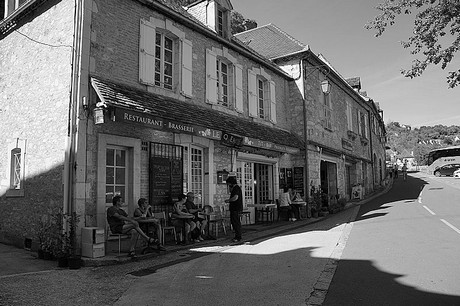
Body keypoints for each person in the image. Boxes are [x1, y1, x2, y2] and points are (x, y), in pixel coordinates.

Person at [224, 176, 243, 242]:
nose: (228, 185)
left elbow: (235, 197)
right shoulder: (235, 188)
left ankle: (238, 237)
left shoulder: (236, 189)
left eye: (229, 184)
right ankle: (237, 235)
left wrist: (228, 200)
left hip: (236, 208)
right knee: (235, 222)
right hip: (235, 208)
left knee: (236, 222)